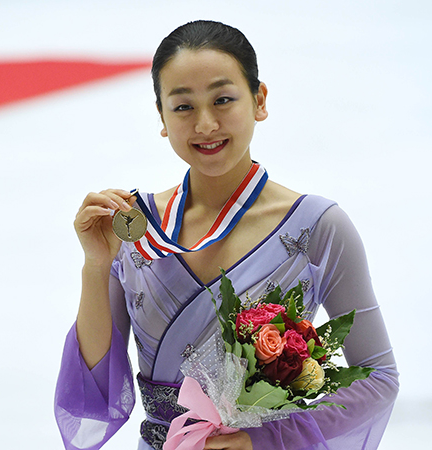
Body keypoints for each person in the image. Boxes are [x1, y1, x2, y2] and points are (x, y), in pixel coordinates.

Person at [55, 20, 399, 450]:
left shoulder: (317, 226)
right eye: (183, 107)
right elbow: (93, 396)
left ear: (259, 100)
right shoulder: (133, 226)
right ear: (161, 116)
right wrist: (96, 264)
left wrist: (262, 440)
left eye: (222, 100)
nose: (204, 125)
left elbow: (379, 379)